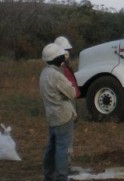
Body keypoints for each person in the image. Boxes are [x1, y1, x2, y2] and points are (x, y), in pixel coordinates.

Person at [40, 43, 77, 181]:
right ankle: (62, 177)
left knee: (51, 148)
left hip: (51, 117)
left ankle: (48, 176)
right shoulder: (57, 76)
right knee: (62, 149)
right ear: (56, 58)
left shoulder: (44, 73)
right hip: (63, 116)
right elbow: (72, 93)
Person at [54, 35, 79, 164]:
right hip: (65, 107)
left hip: (63, 106)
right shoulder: (60, 69)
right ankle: (65, 165)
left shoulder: (58, 68)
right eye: (66, 50)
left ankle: (63, 163)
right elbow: (68, 91)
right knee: (66, 138)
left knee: (63, 137)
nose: (67, 53)